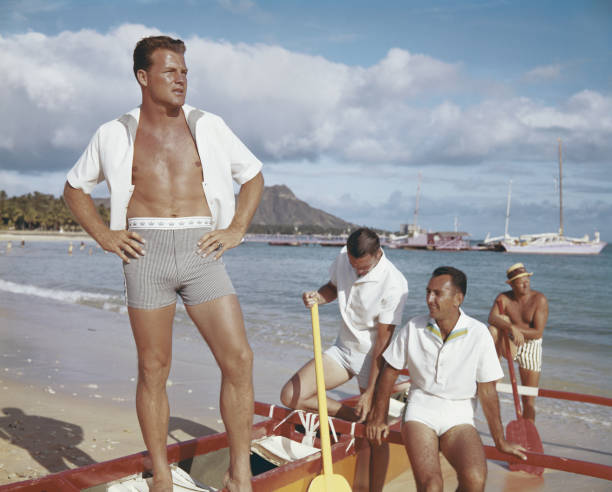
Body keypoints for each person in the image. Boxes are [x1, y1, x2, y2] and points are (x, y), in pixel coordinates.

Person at [63, 35, 263, 492]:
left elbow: (252, 176)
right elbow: (74, 189)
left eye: (185, 72)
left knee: (239, 359)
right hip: (145, 253)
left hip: (201, 251)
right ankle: (161, 477)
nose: (181, 80)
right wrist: (105, 236)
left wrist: (236, 230)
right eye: (170, 72)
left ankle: (239, 475)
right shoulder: (114, 133)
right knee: (153, 368)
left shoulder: (208, 126)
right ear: (143, 77)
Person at [367, 266, 526, 492]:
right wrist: (379, 417)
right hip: (421, 409)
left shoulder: (478, 333)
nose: (430, 299)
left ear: (457, 299)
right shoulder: (414, 327)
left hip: (459, 414)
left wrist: (499, 440)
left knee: (475, 479)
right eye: (428, 292)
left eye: (437, 293)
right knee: (432, 486)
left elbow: (488, 391)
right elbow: (390, 371)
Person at [280, 227, 408, 491]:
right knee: (291, 396)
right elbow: (333, 287)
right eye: (353, 266)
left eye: (363, 268)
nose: (357, 271)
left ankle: (374, 487)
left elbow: (383, 345)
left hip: (372, 358)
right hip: (342, 349)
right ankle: (354, 416)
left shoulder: (394, 283)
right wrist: (317, 297)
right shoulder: (343, 258)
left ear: (378, 253)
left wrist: (370, 391)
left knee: (375, 431)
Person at [488, 262, 548, 422]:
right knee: (493, 329)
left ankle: (529, 431)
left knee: (528, 399)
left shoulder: (539, 299)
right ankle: (494, 371)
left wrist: (516, 330)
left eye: (527, 279)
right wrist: (511, 328)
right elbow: (492, 318)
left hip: (531, 345)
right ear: (512, 284)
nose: (525, 283)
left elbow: (538, 332)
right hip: (510, 342)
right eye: (520, 280)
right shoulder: (504, 298)